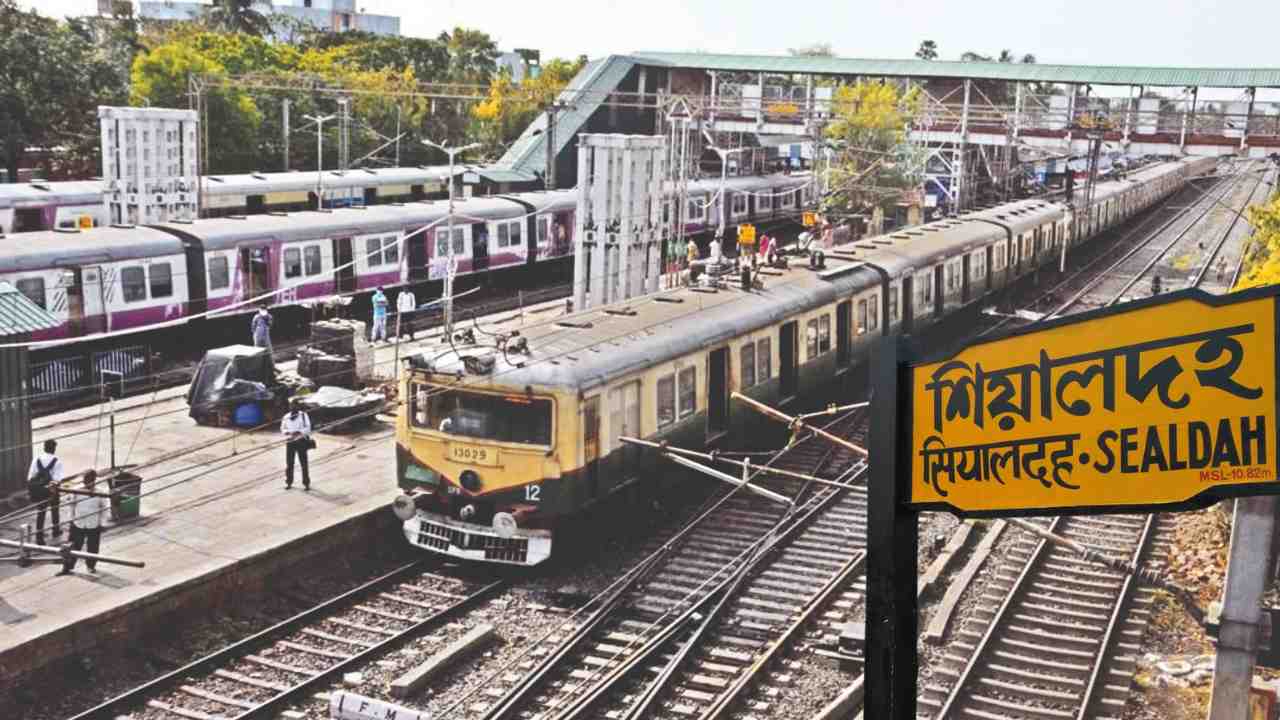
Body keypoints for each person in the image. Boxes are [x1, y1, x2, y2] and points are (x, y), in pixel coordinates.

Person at [60, 469, 108, 575]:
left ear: (94, 480)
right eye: (86, 480)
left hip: (93, 524)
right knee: (72, 546)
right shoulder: (77, 490)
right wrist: (71, 520)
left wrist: (103, 523)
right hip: (78, 523)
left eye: (90, 480)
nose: (87, 483)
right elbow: (71, 505)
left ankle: (91, 566)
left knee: (93, 547)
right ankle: (67, 567)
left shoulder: (100, 492)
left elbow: (104, 509)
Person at [27, 439, 63, 545]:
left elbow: (30, 476)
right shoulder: (57, 461)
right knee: (55, 509)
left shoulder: (36, 459)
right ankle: (55, 530)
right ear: (54, 448)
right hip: (52, 490)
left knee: (41, 512)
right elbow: (57, 479)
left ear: (44, 448)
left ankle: (39, 537)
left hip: (39, 490)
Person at [281, 399, 313, 490]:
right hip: (290, 442)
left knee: (303, 463)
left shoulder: (303, 415)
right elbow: (283, 428)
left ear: (298, 406)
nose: (292, 407)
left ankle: (306, 483)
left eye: (294, 405)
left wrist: (299, 432)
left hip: (301, 442)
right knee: (289, 463)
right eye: (291, 405)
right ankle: (289, 482)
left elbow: (308, 427)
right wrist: (287, 432)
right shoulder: (286, 416)